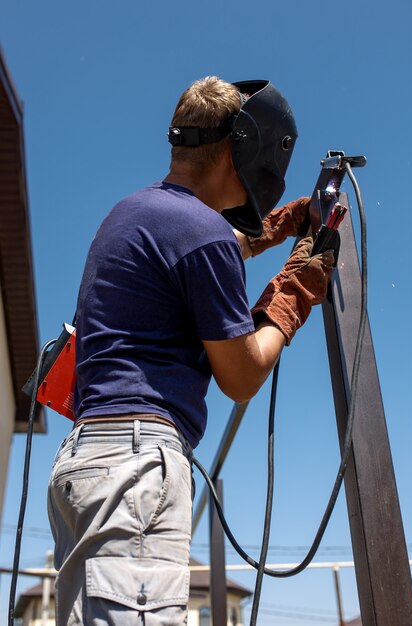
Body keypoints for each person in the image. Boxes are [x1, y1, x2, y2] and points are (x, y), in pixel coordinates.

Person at [47, 77, 334, 625]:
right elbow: (242, 376)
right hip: (134, 466)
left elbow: (200, 258)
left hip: (85, 463)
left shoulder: (132, 212)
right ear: (243, 148)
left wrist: (277, 231)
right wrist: (296, 288)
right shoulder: (200, 231)